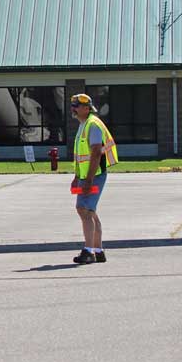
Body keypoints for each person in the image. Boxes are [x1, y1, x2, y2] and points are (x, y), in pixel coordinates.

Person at [70, 92, 119, 264]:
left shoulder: (93, 125)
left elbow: (96, 152)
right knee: (89, 211)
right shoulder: (84, 124)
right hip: (87, 176)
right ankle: (98, 251)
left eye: (76, 106)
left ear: (86, 108)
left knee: (83, 209)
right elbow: (82, 156)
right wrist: (77, 176)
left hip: (94, 175)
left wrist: (89, 179)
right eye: (73, 106)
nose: (73, 109)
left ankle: (88, 251)